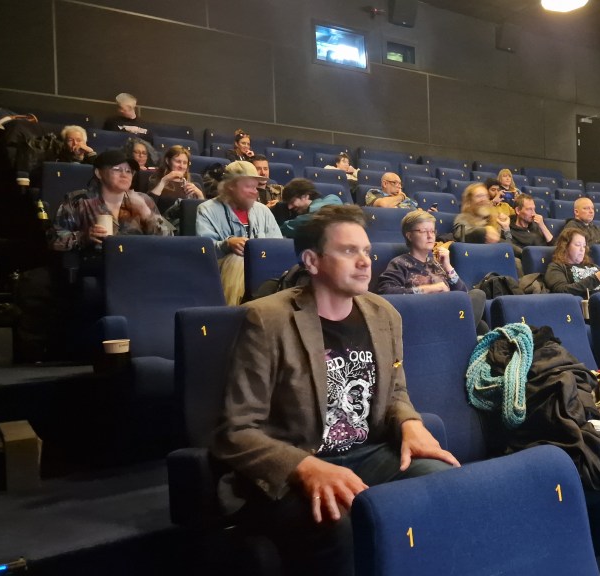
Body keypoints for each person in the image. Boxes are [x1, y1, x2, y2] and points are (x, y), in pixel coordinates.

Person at [211, 204, 458, 576]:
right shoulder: (267, 319)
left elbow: (395, 392)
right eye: (348, 251)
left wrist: (410, 423)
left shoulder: (384, 314)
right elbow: (236, 431)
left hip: (369, 453)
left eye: (366, 251)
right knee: (340, 523)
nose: (364, 261)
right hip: (298, 461)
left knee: (443, 484)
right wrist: (305, 467)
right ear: (312, 261)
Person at [50, 149, 173, 255]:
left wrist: (147, 214)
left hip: (137, 263)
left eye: (129, 171)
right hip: (96, 266)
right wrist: (84, 237)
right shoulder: (79, 201)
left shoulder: (143, 200)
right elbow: (53, 240)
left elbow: (170, 239)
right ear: (99, 173)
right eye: (117, 169)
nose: (124, 175)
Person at [196, 161, 283, 305]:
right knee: (237, 260)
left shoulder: (263, 211)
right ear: (230, 186)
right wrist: (227, 244)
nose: (254, 192)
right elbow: (203, 251)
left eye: (255, 187)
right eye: (248, 186)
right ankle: (234, 314)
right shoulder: (207, 210)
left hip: (263, 272)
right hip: (221, 273)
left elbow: (278, 246)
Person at [545, 227, 600, 296]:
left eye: (584, 246)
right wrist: (595, 279)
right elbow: (561, 291)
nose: (582, 249)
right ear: (565, 246)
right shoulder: (556, 267)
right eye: (578, 245)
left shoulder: (593, 266)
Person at [147, 145, 204, 212]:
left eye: (185, 163)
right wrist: (164, 181)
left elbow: (203, 213)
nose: (181, 166)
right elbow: (148, 207)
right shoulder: (156, 181)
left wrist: (200, 195)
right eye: (178, 161)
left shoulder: (195, 187)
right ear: (168, 161)